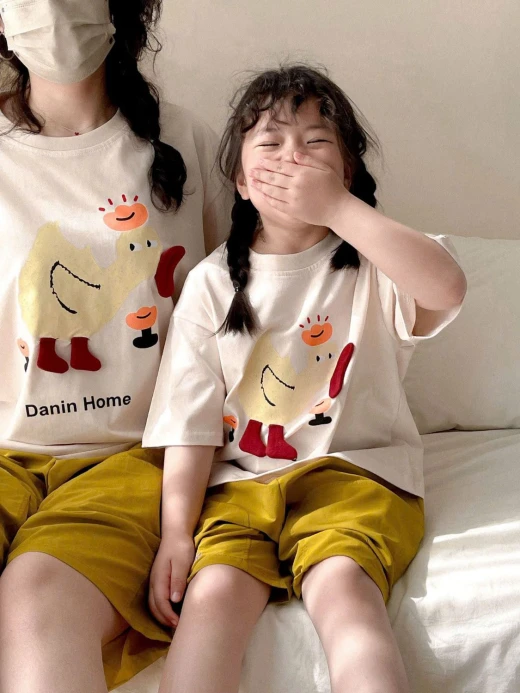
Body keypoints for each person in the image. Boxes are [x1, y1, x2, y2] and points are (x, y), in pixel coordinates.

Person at [143, 64, 467, 693]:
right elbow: (189, 422)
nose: (293, 156)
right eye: (270, 143)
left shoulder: (374, 264)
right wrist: (176, 532)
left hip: (355, 480)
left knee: (346, 596)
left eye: (316, 141)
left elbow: (447, 289)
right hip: (242, 492)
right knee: (211, 603)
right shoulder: (211, 285)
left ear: (346, 171)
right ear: (242, 182)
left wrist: (341, 209)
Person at [0, 1, 229, 691]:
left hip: (132, 459)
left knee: (38, 596)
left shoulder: (183, 142)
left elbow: (245, 310)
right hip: (7, 455)